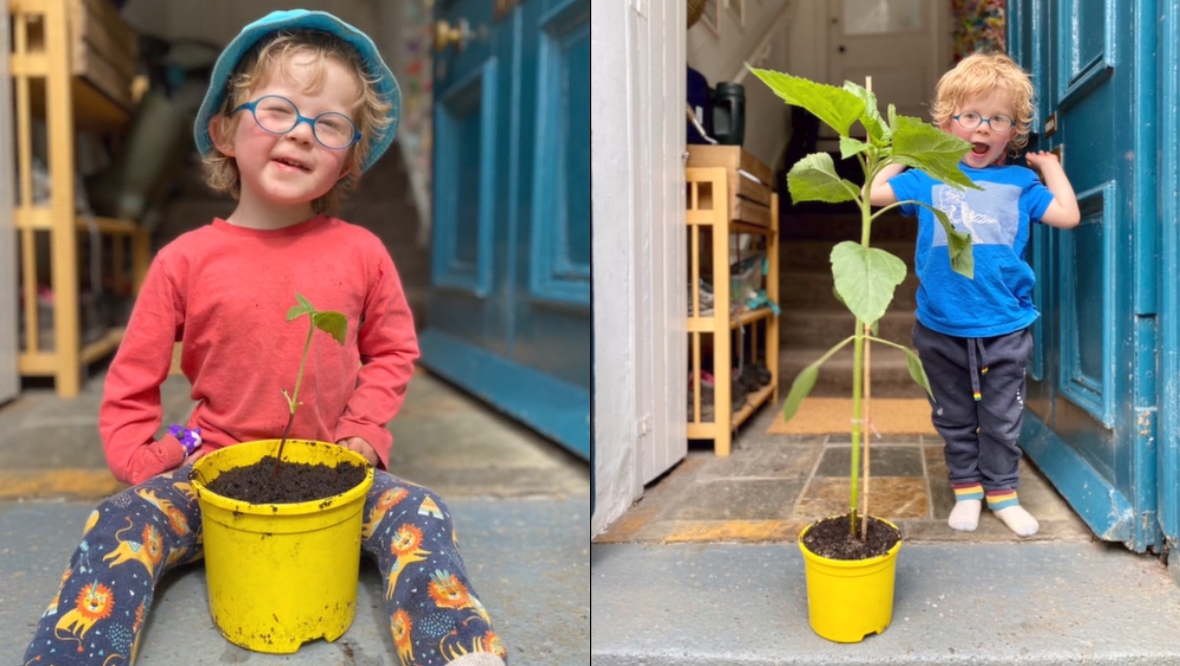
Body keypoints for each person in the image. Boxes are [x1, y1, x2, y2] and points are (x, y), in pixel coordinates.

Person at [23, 10, 508, 665]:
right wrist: (154, 456)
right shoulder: (182, 261)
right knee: (118, 521)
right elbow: (132, 377)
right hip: (208, 478)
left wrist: (364, 432)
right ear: (223, 130)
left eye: (330, 124)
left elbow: (394, 350)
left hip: (335, 482)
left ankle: (455, 650)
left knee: (422, 514)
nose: (302, 134)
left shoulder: (363, 253)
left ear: (348, 163)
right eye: (277, 110)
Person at [867, 53, 1080, 537]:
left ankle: (1003, 493)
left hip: (1005, 324)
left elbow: (1067, 215)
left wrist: (1050, 169)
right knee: (954, 415)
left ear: (1012, 130)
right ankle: (967, 490)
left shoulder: (1020, 182)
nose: (983, 128)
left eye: (998, 118)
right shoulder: (926, 179)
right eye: (970, 116)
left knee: (1002, 419)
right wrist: (908, 150)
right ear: (947, 123)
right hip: (941, 325)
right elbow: (872, 193)